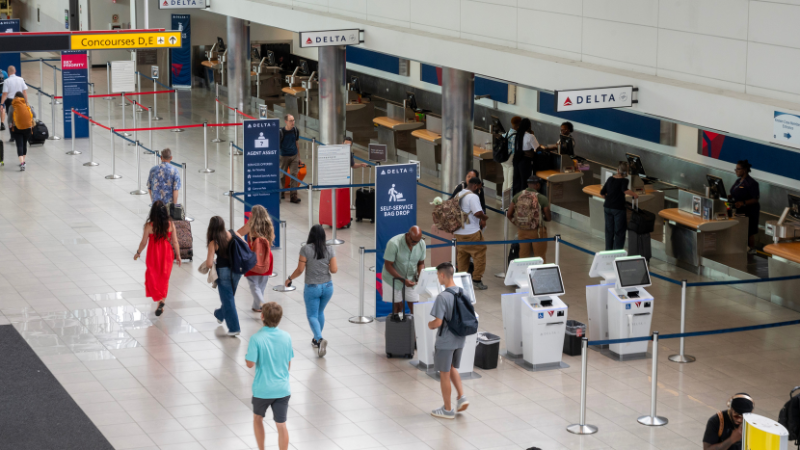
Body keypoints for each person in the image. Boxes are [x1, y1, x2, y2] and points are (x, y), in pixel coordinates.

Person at [246, 302, 293, 450]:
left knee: (258, 418)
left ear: (262, 316)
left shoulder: (256, 338)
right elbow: (288, 365)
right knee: (281, 425)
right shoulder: (286, 337)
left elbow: (250, 364)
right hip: (282, 389)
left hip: (262, 389)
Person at [285, 225, 337, 357]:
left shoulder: (305, 249)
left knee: (312, 315)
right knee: (320, 312)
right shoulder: (330, 249)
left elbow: (300, 270)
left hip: (312, 287)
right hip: (328, 287)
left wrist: (290, 278)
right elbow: (334, 270)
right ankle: (316, 339)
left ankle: (319, 339)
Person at [428, 262, 469, 419]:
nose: (438, 278)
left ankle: (447, 409)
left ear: (443, 275)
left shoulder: (442, 297)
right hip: (460, 338)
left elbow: (438, 322)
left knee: (444, 373)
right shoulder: (462, 292)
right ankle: (461, 397)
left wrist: (430, 325)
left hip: (445, 340)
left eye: (438, 275)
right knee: (451, 367)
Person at [134, 201, 182, 317]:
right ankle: (162, 301)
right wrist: (178, 256)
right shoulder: (170, 224)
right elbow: (175, 241)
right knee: (164, 278)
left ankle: (159, 299)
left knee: (152, 276)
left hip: (153, 254)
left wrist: (138, 252)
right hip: (167, 254)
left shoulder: (149, 226)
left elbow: (144, 242)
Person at [206, 216, 243, 337]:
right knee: (229, 298)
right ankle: (220, 314)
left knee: (228, 299)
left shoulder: (214, 242)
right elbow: (245, 245)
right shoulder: (232, 233)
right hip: (237, 270)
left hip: (223, 273)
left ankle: (234, 328)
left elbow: (209, 263)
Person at [237, 205, 275, 312]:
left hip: (254, 255)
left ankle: (262, 304)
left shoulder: (251, 225)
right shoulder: (268, 225)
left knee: (253, 283)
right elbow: (271, 240)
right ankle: (257, 306)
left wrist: (244, 243)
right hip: (267, 256)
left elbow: (237, 234)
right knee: (261, 284)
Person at [454, 177, 490, 290]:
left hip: (458, 232)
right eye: (479, 188)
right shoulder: (473, 197)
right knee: (480, 255)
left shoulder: (459, 194)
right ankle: (477, 279)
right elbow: (478, 212)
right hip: (472, 232)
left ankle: (461, 279)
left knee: (462, 255)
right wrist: (485, 217)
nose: (479, 190)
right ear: (475, 186)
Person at [382, 226, 426, 315]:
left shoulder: (421, 243)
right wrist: (402, 279)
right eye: (413, 241)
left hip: (411, 278)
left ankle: (414, 327)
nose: (415, 244)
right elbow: (388, 265)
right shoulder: (394, 243)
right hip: (393, 278)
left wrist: (421, 275)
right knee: (398, 307)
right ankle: (397, 327)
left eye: (417, 241)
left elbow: (421, 263)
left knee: (415, 306)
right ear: (408, 235)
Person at [507, 175, 552, 261]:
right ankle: (538, 274)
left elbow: (509, 214)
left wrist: (518, 223)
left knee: (523, 257)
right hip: (537, 231)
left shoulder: (518, 196)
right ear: (538, 185)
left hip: (522, 231)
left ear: (528, 184)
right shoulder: (541, 198)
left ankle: (524, 273)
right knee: (539, 257)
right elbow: (548, 217)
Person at [601, 161, 638, 250]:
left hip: (607, 207)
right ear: (626, 172)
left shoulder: (610, 179)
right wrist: (634, 194)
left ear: (617, 170)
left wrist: (609, 199)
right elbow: (624, 190)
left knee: (609, 231)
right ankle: (617, 252)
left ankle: (608, 251)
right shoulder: (624, 180)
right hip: (618, 209)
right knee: (619, 231)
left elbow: (602, 193)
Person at [729, 160, 761, 254]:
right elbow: (735, 192)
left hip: (749, 210)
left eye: (738, 169)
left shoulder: (751, 183)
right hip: (739, 209)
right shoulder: (738, 181)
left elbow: (755, 199)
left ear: (745, 170)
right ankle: (740, 247)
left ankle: (751, 250)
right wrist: (730, 196)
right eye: (736, 169)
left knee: (749, 231)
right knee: (739, 228)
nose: (736, 171)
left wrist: (743, 203)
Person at [512, 118, 548, 195]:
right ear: (529, 126)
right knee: (524, 182)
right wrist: (545, 148)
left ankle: (516, 199)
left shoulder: (517, 134)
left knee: (517, 180)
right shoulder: (530, 136)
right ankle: (523, 199)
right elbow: (537, 148)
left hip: (516, 160)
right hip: (525, 161)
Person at [6, 92, 35, 171]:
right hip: (28, 128)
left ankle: (22, 163)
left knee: (19, 145)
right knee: (24, 144)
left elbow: (9, 120)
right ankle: (24, 161)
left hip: (16, 128)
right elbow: (34, 115)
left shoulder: (12, 106)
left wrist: (10, 125)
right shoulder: (27, 105)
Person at [279, 114, 301, 204]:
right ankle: (281, 193)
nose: (293, 122)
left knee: (294, 174)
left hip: (294, 156)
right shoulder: (281, 132)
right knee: (282, 176)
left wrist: (299, 157)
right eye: (291, 121)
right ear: (286, 121)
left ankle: (293, 196)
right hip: (283, 156)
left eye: (293, 120)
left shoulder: (295, 130)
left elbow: (296, 143)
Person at [1, 65, 28, 136]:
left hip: (10, 101)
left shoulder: (7, 81)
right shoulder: (21, 79)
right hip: (20, 100)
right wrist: (26, 101)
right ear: (15, 71)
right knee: (19, 115)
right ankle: (19, 130)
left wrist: (1, 103)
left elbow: (4, 93)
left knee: (10, 118)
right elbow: (24, 92)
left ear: (8, 72)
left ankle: (12, 135)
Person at [501, 116, 521, 192]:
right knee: (511, 183)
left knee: (505, 181)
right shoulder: (516, 137)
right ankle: (509, 201)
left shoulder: (506, 134)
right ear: (519, 124)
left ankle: (504, 201)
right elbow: (514, 151)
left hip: (503, 159)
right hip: (511, 161)